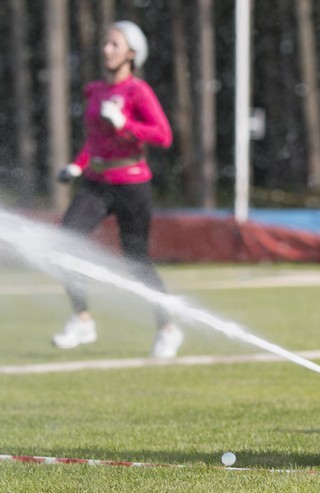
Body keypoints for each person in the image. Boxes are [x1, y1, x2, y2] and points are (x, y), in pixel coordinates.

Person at [52, 21, 183, 358]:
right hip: (96, 182)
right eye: (105, 43)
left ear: (131, 54)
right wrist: (78, 165)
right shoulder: (94, 90)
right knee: (64, 241)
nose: (106, 49)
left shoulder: (138, 91)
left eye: (114, 44)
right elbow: (95, 140)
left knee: (136, 260)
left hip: (132, 185)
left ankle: (167, 327)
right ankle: (82, 318)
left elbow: (163, 136)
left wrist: (126, 124)